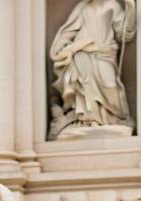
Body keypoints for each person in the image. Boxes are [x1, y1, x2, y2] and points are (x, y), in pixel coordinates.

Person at [49, 0, 136, 137]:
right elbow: (69, 31)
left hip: (105, 53)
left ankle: (116, 118)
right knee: (86, 89)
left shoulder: (112, 5)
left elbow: (123, 33)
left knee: (110, 86)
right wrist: (61, 48)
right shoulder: (83, 7)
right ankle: (87, 120)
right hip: (82, 53)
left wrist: (130, 8)